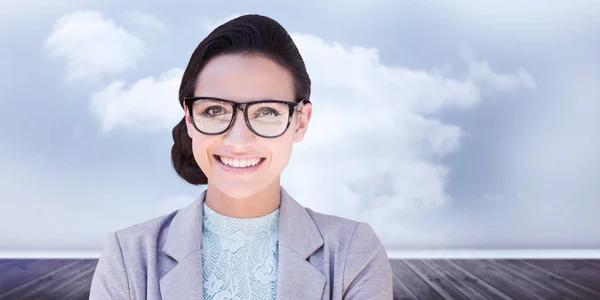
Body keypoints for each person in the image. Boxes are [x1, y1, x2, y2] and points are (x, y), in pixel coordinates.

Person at [89, 14, 393, 300]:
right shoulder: (127, 256)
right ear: (190, 119)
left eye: (267, 112)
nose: (238, 140)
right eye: (214, 110)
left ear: (300, 121)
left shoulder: (354, 253)